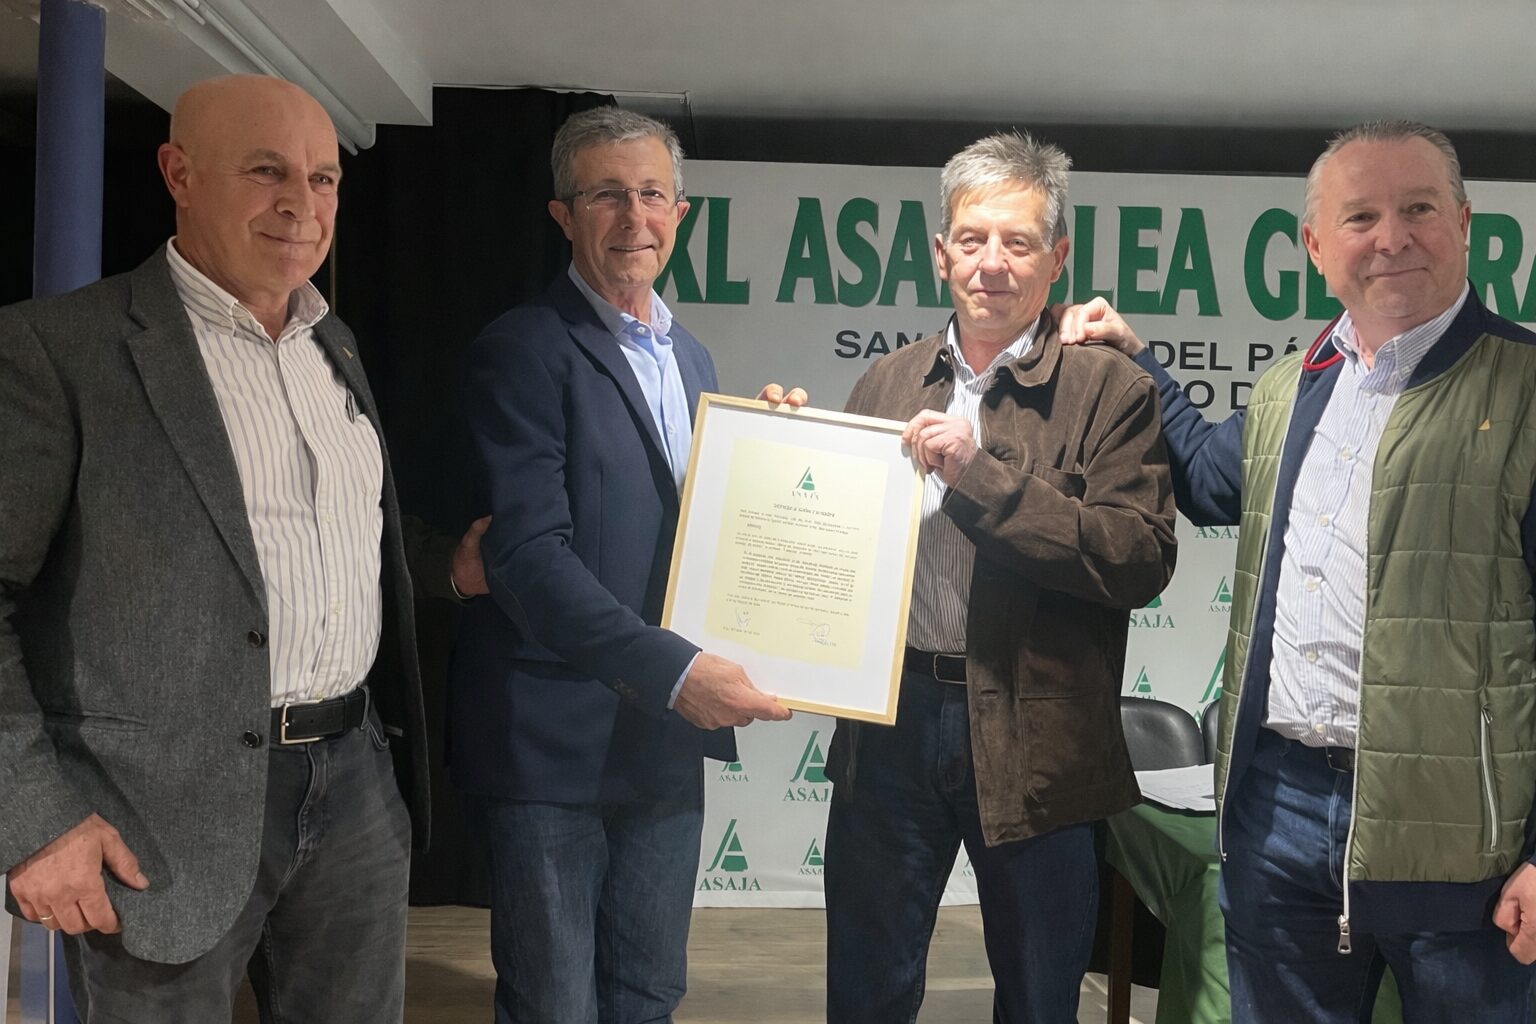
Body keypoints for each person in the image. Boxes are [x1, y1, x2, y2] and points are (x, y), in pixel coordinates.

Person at [0, 74, 483, 1022]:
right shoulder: (59, 349)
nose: (301, 204)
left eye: (323, 178)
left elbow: (325, 542)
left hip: (354, 782)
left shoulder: (332, 343)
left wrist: (453, 566)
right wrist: (35, 820)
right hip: (156, 812)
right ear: (179, 174)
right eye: (266, 172)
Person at [1058, 120, 1536, 1022]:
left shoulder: (1525, 388)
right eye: (1360, 217)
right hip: (1277, 817)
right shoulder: (1293, 387)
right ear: (1317, 247)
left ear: (1465, 224)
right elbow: (1208, 478)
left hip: (1466, 845)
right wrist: (1135, 360)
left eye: (1418, 209)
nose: (1391, 237)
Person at [452, 106, 802, 1023]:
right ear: (563, 215)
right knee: (554, 1006)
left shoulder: (692, 358)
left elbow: (693, 536)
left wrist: (771, 459)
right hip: (553, 749)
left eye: (651, 194)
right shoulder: (521, 349)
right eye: (606, 195)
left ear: (679, 213)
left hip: (660, 743)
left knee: (649, 996)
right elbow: (528, 556)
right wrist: (678, 673)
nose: (634, 216)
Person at [821, 131, 1177, 1022]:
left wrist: (977, 476)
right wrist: (781, 457)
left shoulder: (1110, 390)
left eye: (1018, 242)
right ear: (941, 253)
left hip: (1039, 738)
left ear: (1057, 258)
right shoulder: (885, 381)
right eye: (973, 240)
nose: (992, 263)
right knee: (866, 990)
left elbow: (1137, 557)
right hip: (891, 724)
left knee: (1039, 998)